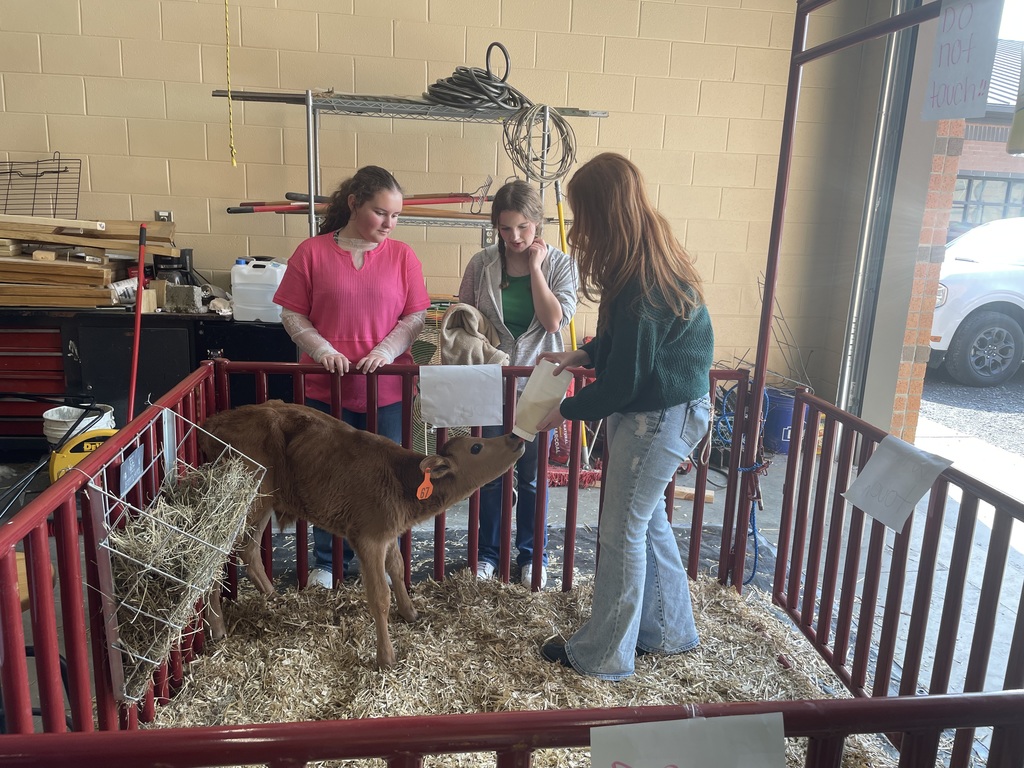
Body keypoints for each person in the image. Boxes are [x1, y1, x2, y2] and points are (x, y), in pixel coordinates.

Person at [534, 153, 714, 680]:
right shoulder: (643, 259)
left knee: (621, 532)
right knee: (647, 521)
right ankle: (671, 630)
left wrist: (561, 411)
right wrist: (584, 353)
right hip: (661, 411)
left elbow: (624, 383)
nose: (578, 228)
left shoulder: (642, 285)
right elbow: (623, 347)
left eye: (581, 214)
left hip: (658, 416)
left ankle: (605, 655)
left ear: (601, 212)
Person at [273, 165, 430, 588]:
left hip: (386, 388)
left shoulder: (402, 256)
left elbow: (416, 316)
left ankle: (380, 563)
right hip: (324, 387)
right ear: (353, 204)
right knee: (326, 476)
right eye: (381, 213)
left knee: (387, 480)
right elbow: (291, 312)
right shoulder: (312, 252)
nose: (389, 224)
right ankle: (328, 561)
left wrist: (385, 351)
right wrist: (322, 350)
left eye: (396, 216)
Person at [458, 179, 578, 589]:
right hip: (490, 380)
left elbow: (553, 321)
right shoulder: (481, 263)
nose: (514, 237)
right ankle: (488, 554)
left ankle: (533, 556)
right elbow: (464, 321)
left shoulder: (561, 264)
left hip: (538, 384)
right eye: (506, 228)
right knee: (489, 473)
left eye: (524, 227)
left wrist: (537, 270)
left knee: (531, 476)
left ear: (538, 224)